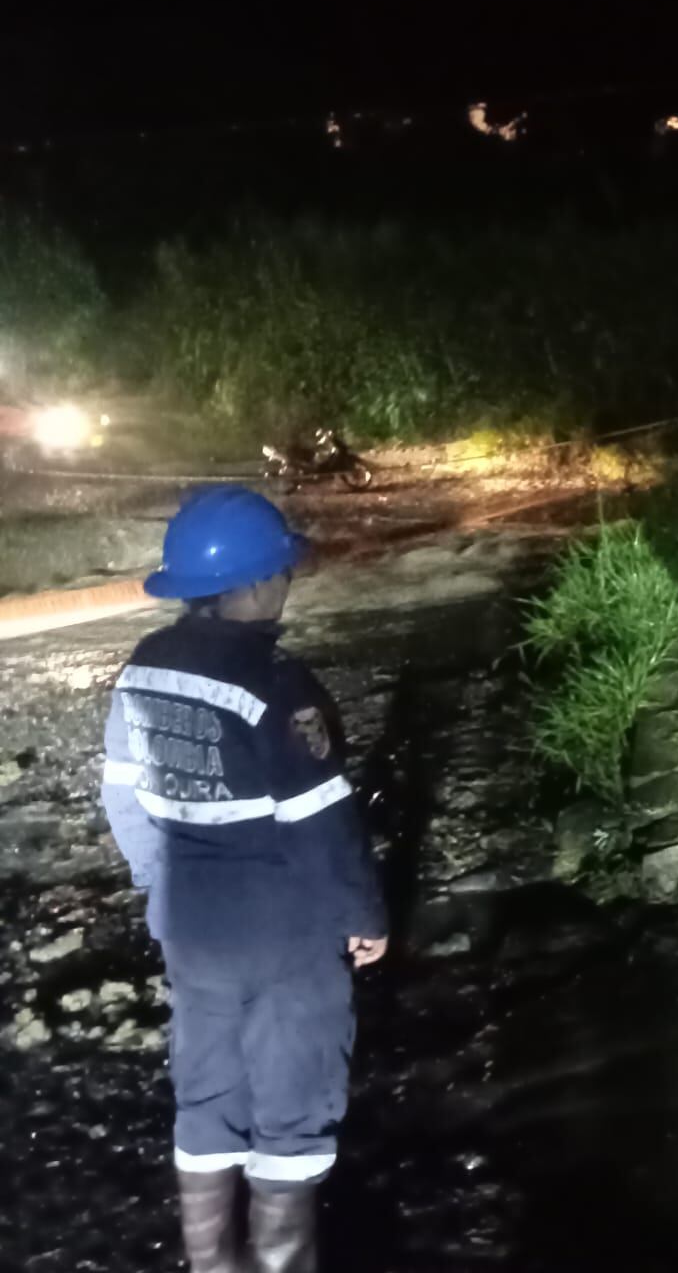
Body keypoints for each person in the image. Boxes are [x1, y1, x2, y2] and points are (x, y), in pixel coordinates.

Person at [100, 487, 386, 1273]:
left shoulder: (142, 669)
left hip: (191, 924)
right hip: (285, 929)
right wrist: (363, 914)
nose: (286, 584)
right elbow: (324, 820)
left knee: (206, 1100)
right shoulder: (281, 685)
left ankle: (209, 1266)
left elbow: (121, 795)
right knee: (292, 1115)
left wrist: (163, 886)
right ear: (255, 586)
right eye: (281, 572)